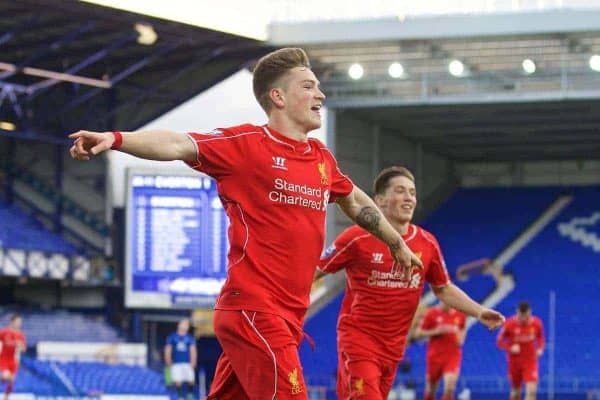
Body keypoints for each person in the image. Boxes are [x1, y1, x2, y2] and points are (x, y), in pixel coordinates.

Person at [68, 47, 422, 400]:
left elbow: (355, 200)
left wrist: (395, 242)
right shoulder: (248, 144)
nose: (320, 94)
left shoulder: (321, 159)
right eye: (309, 86)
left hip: (286, 317)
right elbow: (178, 143)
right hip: (254, 310)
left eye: (318, 87)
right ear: (278, 96)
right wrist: (115, 139)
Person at [317, 166, 505, 400]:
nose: (409, 198)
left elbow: (443, 288)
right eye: (400, 191)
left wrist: (478, 311)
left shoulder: (427, 243)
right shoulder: (357, 238)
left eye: (413, 193)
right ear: (380, 200)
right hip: (359, 341)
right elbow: (315, 270)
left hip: (395, 347)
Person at [415, 303, 466, 400]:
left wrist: (461, 339)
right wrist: (435, 331)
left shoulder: (459, 315)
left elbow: (462, 327)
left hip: (452, 355)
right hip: (434, 356)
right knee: (430, 390)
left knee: (450, 388)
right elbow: (418, 333)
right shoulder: (431, 313)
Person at [496, 301, 545, 400]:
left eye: (525, 316)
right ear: (517, 313)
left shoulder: (536, 323)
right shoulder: (510, 324)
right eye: (521, 316)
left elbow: (540, 337)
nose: (523, 319)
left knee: (531, 391)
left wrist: (540, 348)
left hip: (530, 361)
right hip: (515, 362)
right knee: (515, 393)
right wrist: (510, 348)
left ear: (529, 313)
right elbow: (499, 341)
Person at [165, 319, 197, 400]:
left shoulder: (190, 338)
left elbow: (193, 350)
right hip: (176, 363)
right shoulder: (172, 337)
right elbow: (168, 349)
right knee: (177, 380)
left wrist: (193, 361)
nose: (185, 326)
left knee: (191, 380)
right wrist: (168, 359)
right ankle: (179, 396)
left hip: (187, 363)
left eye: (187, 325)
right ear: (179, 325)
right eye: (183, 324)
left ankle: (190, 395)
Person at [0, 314, 26, 400]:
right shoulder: (4, 332)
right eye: (18, 322)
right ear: (12, 322)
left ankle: (5, 398)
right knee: (7, 376)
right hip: (3, 359)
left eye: (20, 322)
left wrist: (20, 346)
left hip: (13, 361)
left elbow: (24, 349)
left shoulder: (20, 335)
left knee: (12, 381)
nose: (19, 324)